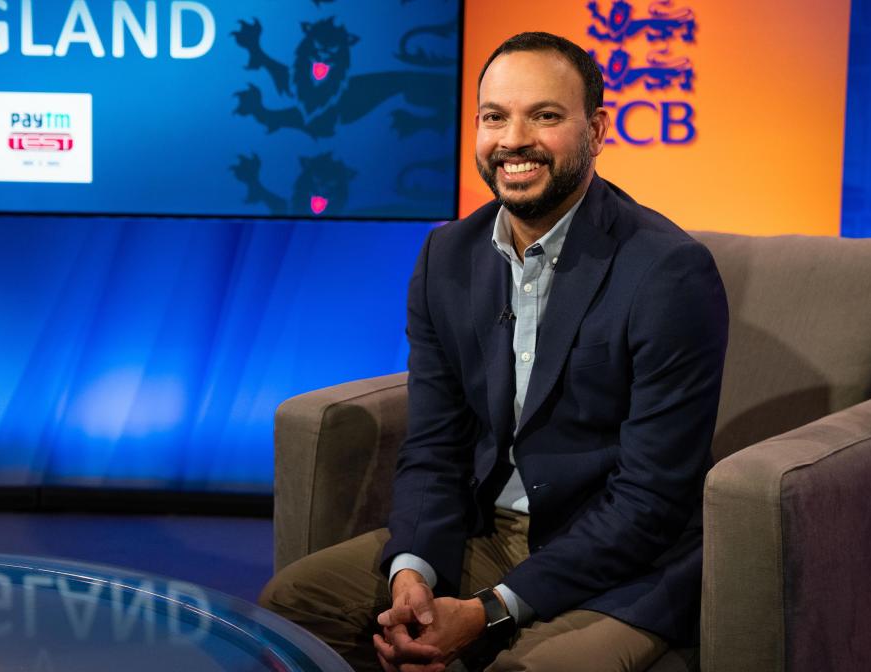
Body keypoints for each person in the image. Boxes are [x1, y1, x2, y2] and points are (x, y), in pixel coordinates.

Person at [260, 31, 728, 672]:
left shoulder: (668, 271)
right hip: (488, 532)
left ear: (596, 129)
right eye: (494, 117)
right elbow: (435, 445)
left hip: (625, 563)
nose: (514, 140)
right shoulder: (446, 256)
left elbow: (651, 500)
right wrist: (413, 573)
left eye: (545, 116)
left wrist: (488, 611)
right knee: (293, 606)